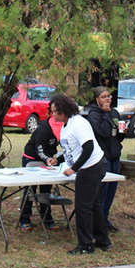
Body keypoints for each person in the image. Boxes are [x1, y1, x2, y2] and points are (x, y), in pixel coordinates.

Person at [49, 93, 112, 255]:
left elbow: (88, 148)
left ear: (64, 110)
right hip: (88, 167)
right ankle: (103, 240)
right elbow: (72, 149)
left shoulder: (79, 123)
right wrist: (58, 159)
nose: (53, 114)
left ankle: (85, 245)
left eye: (55, 111)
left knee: (83, 207)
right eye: (52, 111)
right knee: (94, 204)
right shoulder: (66, 125)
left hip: (92, 167)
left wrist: (74, 169)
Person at [19, 99, 63, 231]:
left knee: (46, 189)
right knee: (30, 189)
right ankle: (24, 219)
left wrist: (57, 160)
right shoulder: (43, 129)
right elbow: (39, 151)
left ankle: (47, 218)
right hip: (32, 159)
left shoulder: (65, 127)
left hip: (48, 160)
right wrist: (48, 160)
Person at [87, 86, 126, 233]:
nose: (107, 99)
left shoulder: (114, 112)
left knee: (111, 190)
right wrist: (106, 114)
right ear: (97, 99)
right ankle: (99, 220)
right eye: (104, 97)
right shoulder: (94, 114)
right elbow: (103, 131)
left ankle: (105, 217)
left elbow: (117, 136)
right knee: (102, 190)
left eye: (109, 96)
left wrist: (123, 133)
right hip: (103, 157)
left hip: (115, 153)